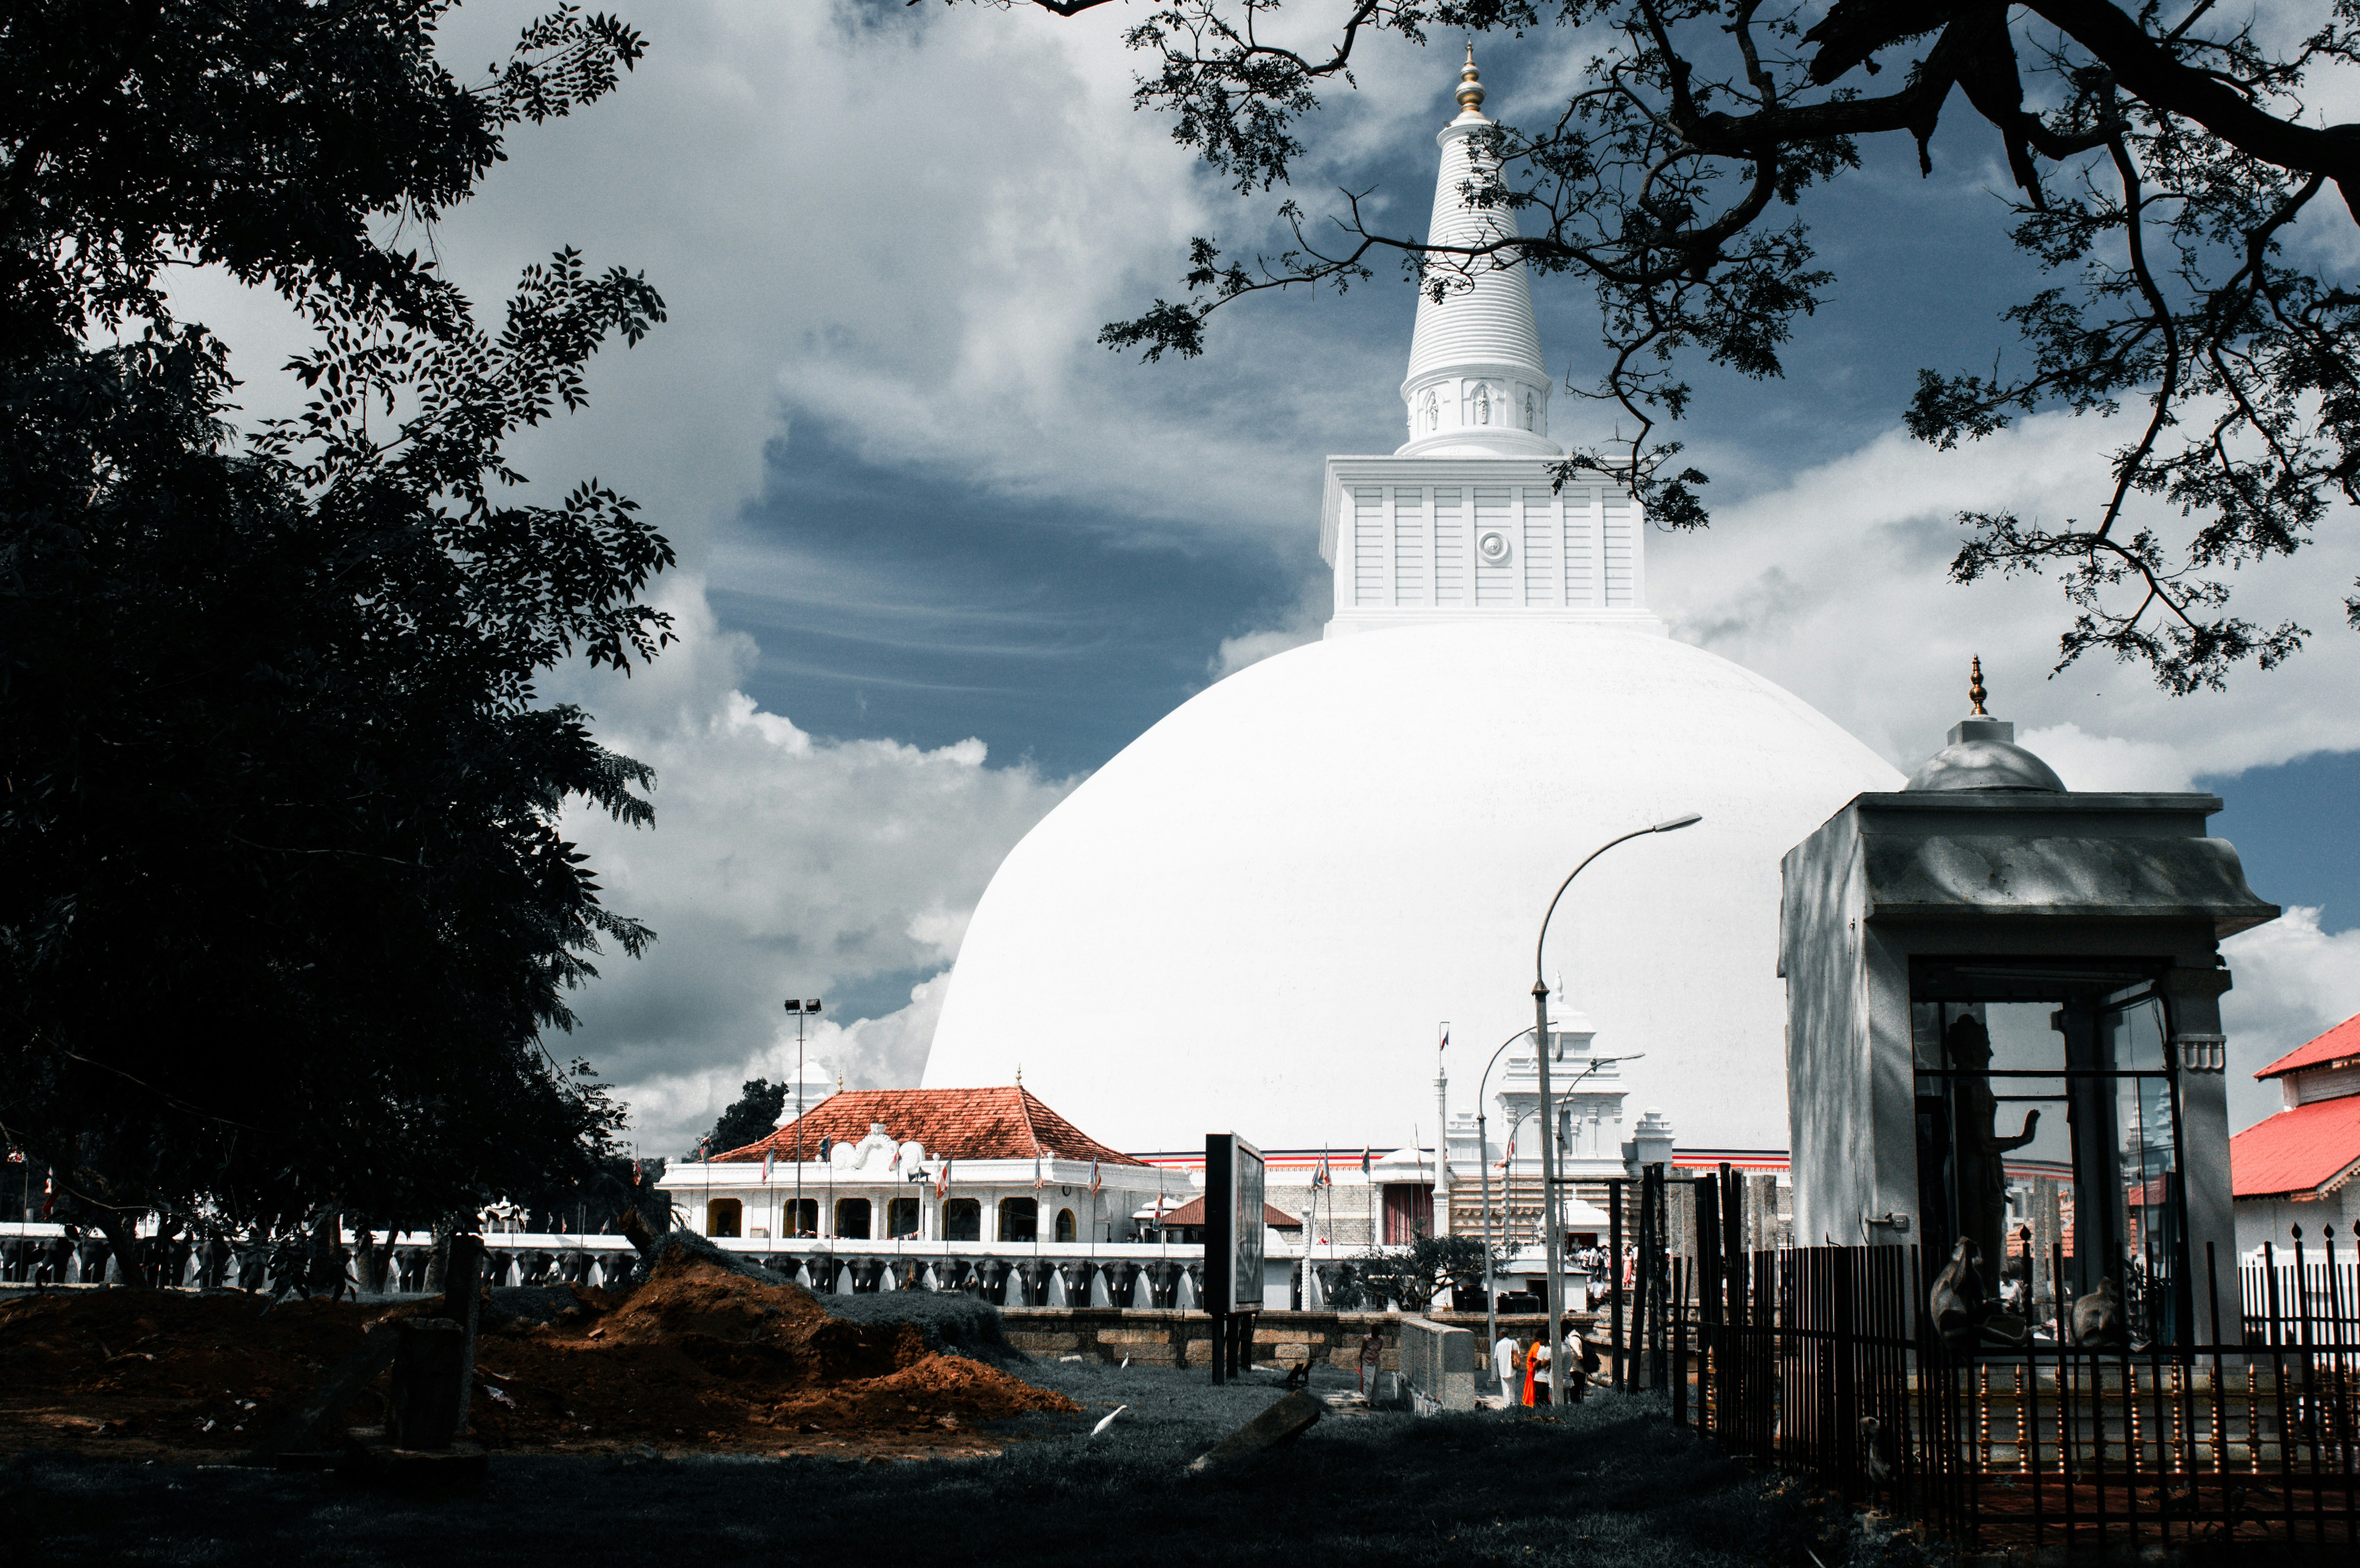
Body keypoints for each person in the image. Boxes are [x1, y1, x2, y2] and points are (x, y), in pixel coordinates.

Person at [1492, 1331, 1520, 1396]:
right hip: (1512, 1367)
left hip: (1503, 1368)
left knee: (1505, 1388)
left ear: (1502, 1334)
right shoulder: (1513, 1342)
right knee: (1512, 1387)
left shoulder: (1499, 1344)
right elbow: (1517, 1354)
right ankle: (1512, 1401)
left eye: (1499, 1333)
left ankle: (1507, 1401)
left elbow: (1496, 1356)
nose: (1498, 1335)